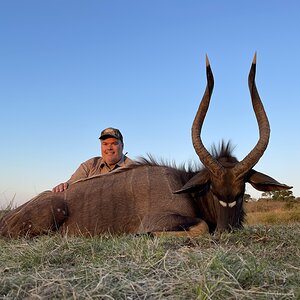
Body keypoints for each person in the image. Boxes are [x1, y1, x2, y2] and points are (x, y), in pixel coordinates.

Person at [52, 127, 133, 192]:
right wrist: (63, 186)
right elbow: (71, 184)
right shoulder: (90, 164)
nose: (109, 148)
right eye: (105, 144)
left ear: (122, 146)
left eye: (114, 143)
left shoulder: (132, 168)